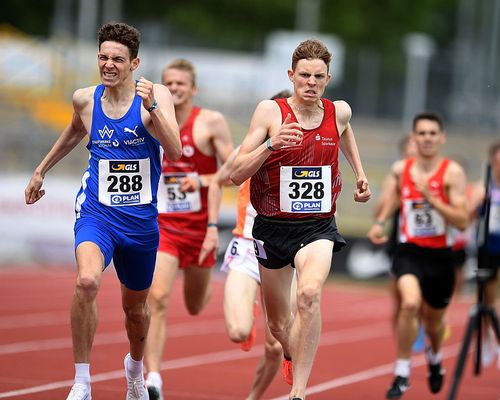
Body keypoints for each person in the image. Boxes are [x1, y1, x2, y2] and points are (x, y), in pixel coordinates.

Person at [24, 22, 182, 400]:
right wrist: (41, 170)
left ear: (134, 63)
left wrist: (154, 108)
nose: (108, 65)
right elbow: (76, 130)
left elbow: (174, 150)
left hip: (141, 222)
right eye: (103, 57)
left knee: (136, 311)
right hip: (97, 213)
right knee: (87, 281)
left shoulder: (155, 97)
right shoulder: (84, 98)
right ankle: (82, 380)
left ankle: (134, 371)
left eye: (117, 59)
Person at [230, 39, 371, 400]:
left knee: (308, 294)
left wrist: (360, 173)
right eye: (304, 76)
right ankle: (292, 352)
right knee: (278, 325)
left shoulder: (338, 111)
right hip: (272, 227)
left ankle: (300, 392)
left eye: (318, 77)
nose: (311, 82)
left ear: (328, 79)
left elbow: (346, 131)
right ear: (291, 75)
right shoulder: (269, 112)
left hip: (317, 226)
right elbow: (235, 173)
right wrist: (271, 145)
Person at [144, 59, 234, 399]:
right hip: (162, 227)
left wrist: (200, 181)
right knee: (157, 297)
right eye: (169, 83)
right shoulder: (149, 120)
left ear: (193, 89)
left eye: (182, 83)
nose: (176, 88)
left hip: (199, 231)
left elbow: (235, 173)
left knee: (195, 305)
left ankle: (210, 280)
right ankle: (154, 377)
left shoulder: (210, 123)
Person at [367, 112, 468, 399]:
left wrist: (432, 199)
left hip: (441, 257)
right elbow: (395, 199)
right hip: (408, 252)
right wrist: (379, 223)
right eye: (421, 133)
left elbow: (461, 221)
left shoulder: (452, 173)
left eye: (432, 133)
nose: (427, 139)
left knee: (434, 325)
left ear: (442, 138)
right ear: (413, 138)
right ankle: (401, 372)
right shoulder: (402, 169)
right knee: (409, 304)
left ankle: (434, 361)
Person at [199, 90, 291, 400]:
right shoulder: (246, 150)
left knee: (276, 342)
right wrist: (212, 228)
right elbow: (217, 181)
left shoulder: (303, 154)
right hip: (248, 246)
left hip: (283, 250)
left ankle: (252, 397)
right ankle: (249, 313)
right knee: (238, 331)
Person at [475, 141, 500, 366]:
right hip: (489, 249)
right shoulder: (484, 188)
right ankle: (487, 340)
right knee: (488, 299)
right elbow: (470, 215)